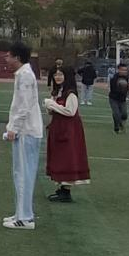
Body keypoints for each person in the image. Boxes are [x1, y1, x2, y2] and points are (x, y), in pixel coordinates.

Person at [2, 41, 42, 230]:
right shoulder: (23, 74)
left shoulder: (25, 75)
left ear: (17, 57)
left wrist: (14, 128)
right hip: (25, 131)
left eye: (9, 55)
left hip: (27, 131)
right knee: (20, 173)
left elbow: (24, 106)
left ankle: (25, 218)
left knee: (24, 175)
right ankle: (21, 213)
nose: (6, 58)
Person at [43, 66, 91, 203]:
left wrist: (52, 105)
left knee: (67, 157)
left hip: (68, 129)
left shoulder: (71, 93)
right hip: (58, 127)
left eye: (60, 75)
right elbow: (55, 110)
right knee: (59, 157)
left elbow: (70, 111)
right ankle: (61, 187)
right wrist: (50, 107)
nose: (57, 77)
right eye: (55, 75)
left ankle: (66, 190)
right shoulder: (58, 92)